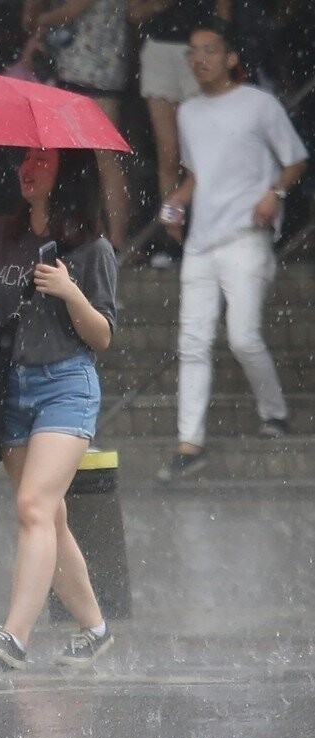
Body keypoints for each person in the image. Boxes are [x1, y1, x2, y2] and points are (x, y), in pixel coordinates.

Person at [0, 147, 118, 670]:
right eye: (25, 160)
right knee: (50, 517)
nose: (28, 169)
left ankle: (15, 637)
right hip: (10, 386)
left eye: (42, 161)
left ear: (66, 171)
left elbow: (103, 337)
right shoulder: (2, 233)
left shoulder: (89, 247)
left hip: (66, 384)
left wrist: (71, 292)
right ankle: (95, 629)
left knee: (32, 508)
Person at [155, 18, 308, 483]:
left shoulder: (260, 105)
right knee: (193, 344)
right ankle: (190, 442)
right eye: (192, 52)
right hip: (201, 241)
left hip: (247, 237)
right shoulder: (188, 113)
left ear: (231, 58)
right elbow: (198, 174)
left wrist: (273, 195)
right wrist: (177, 202)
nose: (199, 58)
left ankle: (275, 412)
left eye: (208, 49)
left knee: (243, 337)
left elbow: (296, 160)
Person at [128, 0, 232, 269]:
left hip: (200, 49)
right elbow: (134, 12)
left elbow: (223, 11)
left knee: (201, 151)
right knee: (168, 154)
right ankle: (173, 238)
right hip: (159, 48)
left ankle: (207, 233)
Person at [23, 0, 131, 253]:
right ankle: (94, 232)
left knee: (105, 157)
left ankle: (115, 238)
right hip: (76, 70)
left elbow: (72, 10)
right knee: (81, 159)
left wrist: (38, 19)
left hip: (96, 70)